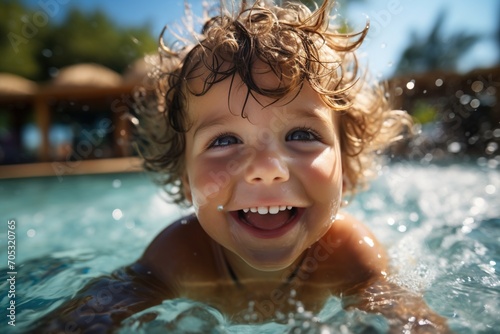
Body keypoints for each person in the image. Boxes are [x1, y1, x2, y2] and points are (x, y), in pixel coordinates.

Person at [35, 0, 450, 332]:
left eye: (302, 136)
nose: (266, 169)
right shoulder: (179, 256)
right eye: (225, 140)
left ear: (348, 163)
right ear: (184, 176)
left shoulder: (348, 255)